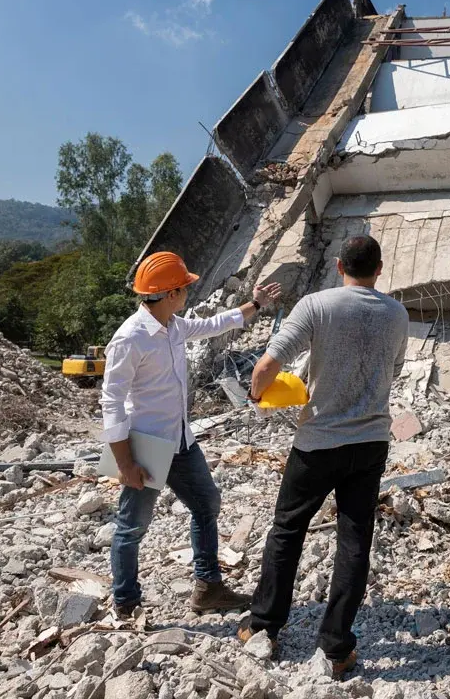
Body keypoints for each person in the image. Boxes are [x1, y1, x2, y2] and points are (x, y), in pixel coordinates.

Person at [238, 235, 409, 678]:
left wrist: (257, 395)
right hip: (370, 443)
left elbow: (265, 367)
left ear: (338, 266)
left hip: (316, 443)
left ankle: (264, 626)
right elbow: (392, 372)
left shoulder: (316, 305)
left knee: (287, 530)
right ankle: (336, 649)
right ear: (380, 267)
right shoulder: (396, 313)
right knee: (354, 543)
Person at [101, 251, 281, 618]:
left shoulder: (173, 326)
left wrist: (256, 304)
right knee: (132, 527)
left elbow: (214, 324)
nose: (188, 293)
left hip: (181, 440)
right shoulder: (129, 339)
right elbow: (111, 403)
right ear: (169, 294)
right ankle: (126, 603)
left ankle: (208, 587)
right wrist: (124, 462)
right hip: (146, 447)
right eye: (184, 288)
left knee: (206, 504)